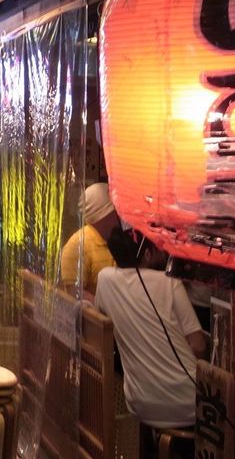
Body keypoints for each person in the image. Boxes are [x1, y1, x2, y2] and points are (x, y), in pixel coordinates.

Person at [95, 227, 207, 456]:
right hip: (186, 404)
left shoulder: (105, 279)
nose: (163, 250)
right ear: (146, 254)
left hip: (140, 403)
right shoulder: (168, 282)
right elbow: (198, 346)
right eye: (157, 246)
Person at [59, 183, 120, 295]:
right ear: (102, 217)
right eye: (115, 212)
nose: (119, 216)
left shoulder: (121, 239)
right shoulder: (76, 246)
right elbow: (74, 293)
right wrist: (106, 305)